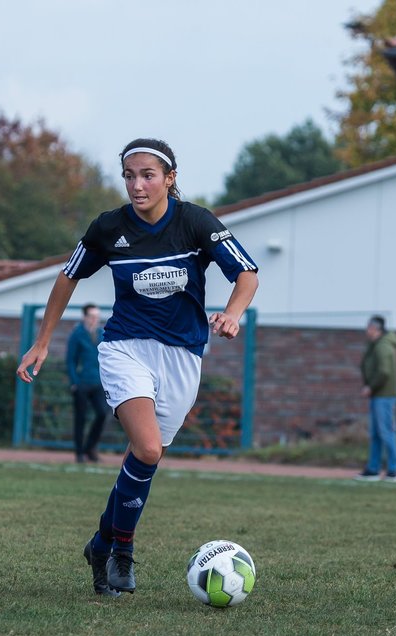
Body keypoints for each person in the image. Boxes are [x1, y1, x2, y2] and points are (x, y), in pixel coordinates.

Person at [17, 138, 259, 598]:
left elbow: (246, 273)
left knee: (144, 461)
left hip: (184, 355)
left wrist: (233, 313)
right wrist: (42, 341)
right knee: (146, 449)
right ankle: (122, 553)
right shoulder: (108, 228)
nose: (137, 184)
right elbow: (67, 277)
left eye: (147, 174)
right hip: (125, 347)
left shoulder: (195, 222)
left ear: (170, 179)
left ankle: (100, 543)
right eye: (129, 175)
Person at [355, 315, 396, 483]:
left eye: (368, 327)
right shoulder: (374, 345)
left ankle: (393, 470)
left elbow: (384, 372)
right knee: (375, 434)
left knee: (386, 432)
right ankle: (373, 469)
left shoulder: (383, 346)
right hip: (378, 396)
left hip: (384, 396)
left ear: (375, 329)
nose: (366, 330)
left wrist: (370, 386)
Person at [67, 302, 106, 463]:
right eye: (91, 316)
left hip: (99, 383)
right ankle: (79, 453)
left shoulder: (102, 333)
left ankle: (90, 447)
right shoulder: (77, 334)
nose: (94, 320)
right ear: (84, 317)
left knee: (102, 414)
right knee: (80, 418)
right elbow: (70, 360)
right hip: (82, 383)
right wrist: (75, 382)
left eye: (97, 317)